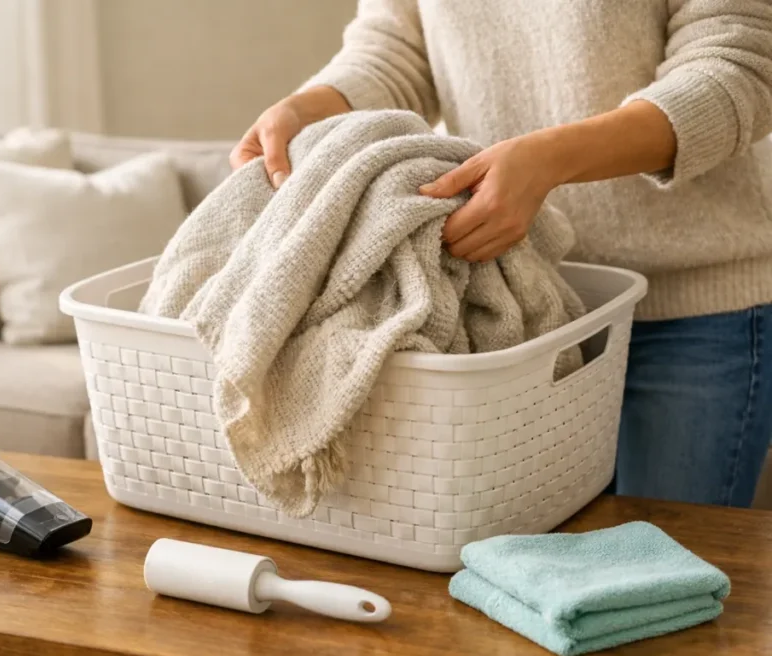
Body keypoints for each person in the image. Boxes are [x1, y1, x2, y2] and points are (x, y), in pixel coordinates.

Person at [230, 0, 772, 508]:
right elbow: (396, 49)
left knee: (665, 585)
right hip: (517, 315)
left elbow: (739, 65)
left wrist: (551, 160)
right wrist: (308, 108)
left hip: (692, 317)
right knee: (517, 573)